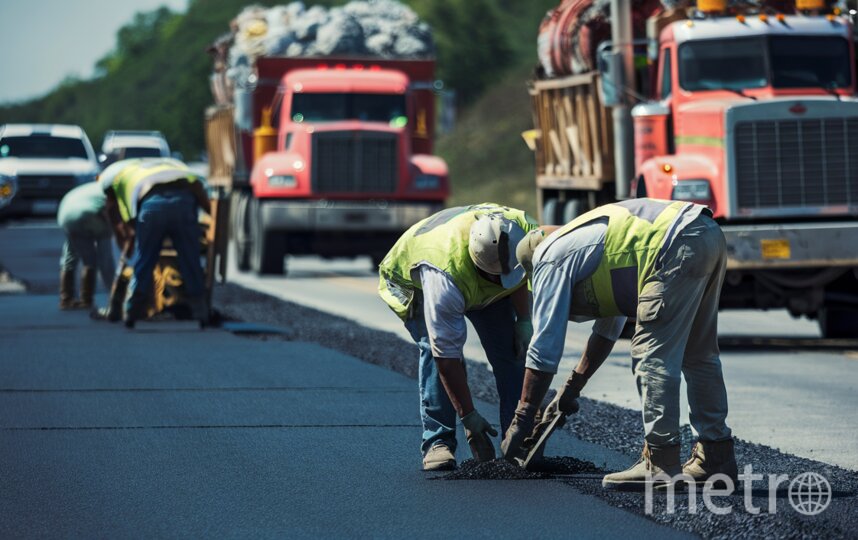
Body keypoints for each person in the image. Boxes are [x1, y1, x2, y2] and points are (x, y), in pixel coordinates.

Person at [500, 198, 737, 489]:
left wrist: (523, 417)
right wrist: (572, 387)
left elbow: (544, 346)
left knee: (651, 354)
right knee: (699, 354)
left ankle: (660, 463)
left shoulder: (549, 258)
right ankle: (715, 457)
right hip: (705, 233)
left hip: (674, 243)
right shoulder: (590, 245)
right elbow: (607, 331)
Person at [378, 203, 538, 470]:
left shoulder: (524, 230)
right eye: (498, 277)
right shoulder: (443, 278)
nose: (503, 283)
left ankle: (517, 436)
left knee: (512, 350)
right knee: (433, 350)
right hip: (413, 280)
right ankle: (438, 441)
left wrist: (523, 320)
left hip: (475, 275)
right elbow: (447, 360)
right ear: (480, 265)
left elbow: (519, 276)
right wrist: (470, 419)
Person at [100, 157, 210, 327]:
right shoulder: (176, 165)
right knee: (190, 258)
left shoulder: (123, 178)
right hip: (183, 203)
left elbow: (128, 219)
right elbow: (199, 190)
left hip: (151, 206)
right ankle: (201, 311)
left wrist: (135, 239)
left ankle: (132, 310)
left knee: (144, 259)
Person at [57, 181, 116, 309]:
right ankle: (108, 297)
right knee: (102, 258)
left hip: (65, 214)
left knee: (70, 256)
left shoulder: (91, 188)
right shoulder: (113, 189)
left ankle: (66, 299)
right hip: (88, 214)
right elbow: (109, 211)